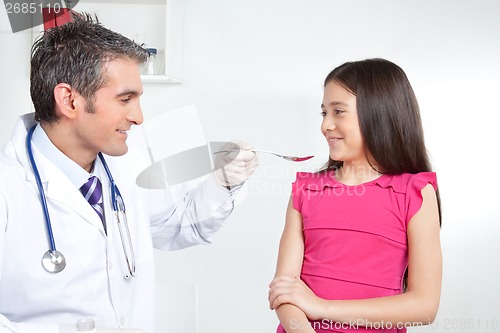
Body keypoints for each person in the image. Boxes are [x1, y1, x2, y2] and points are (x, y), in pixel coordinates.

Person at [0, 13, 258, 333]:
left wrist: (224, 183)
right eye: (125, 99)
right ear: (69, 100)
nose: (138, 117)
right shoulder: (8, 187)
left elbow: (179, 225)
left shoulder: (126, 164)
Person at [268, 58, 442, 333]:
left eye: (338, 111)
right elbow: (283, 290)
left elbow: (424, 306)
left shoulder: (415, 193)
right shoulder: (307, 190)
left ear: (380, 114)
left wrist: (321, 307)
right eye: (324, 112)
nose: (326, 125)